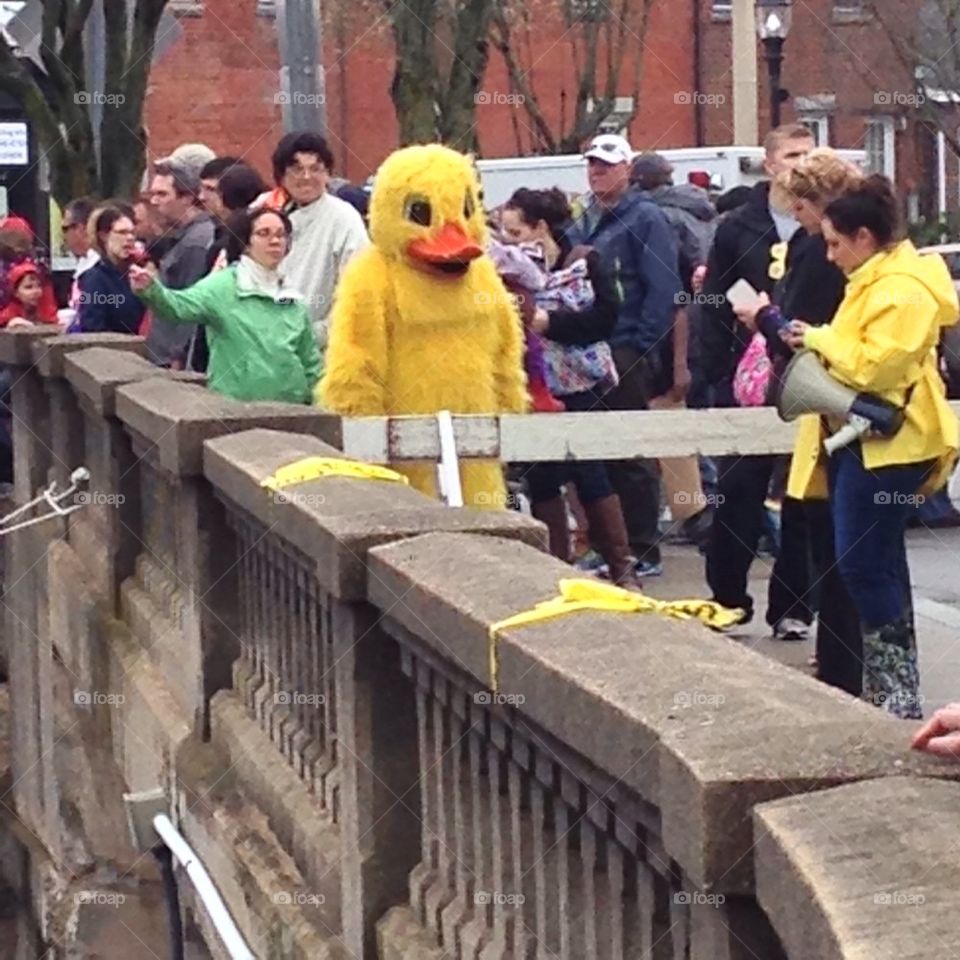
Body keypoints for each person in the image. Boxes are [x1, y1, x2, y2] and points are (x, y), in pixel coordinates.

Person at [782, 176, 959, 719]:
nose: (829, 255)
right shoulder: (886, 277)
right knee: (877, 565)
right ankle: (894, 691)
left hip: (890, 443)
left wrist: (815, 338)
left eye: (835, 243)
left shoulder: (899, 286)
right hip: (885, 441)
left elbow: (874, 365)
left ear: (864, 236)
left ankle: (894, 693)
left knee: (862, 566)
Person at [734, 148, 864, 688]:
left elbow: (803, 331)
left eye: (802, 206)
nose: (800, 217)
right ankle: (839, 656)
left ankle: (841, 663)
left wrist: (761, 314)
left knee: (832, 539)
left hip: (830, 405)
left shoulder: (814, 251)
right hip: (832, 407)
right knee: (832, 536)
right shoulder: (821, 248)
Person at [699, 123, 814, 632]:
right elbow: (713, 306)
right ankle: (728, 596)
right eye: (792, 155)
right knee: (738, 490)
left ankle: (792, 606)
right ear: (770, 165)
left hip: (807, 373)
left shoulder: (822, 224)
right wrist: (712, 378)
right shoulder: (737, 227)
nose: (802, 164)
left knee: (803, 496)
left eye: (810, 154)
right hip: (746, 379)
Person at [501, 188, 642, 586]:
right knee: (542, 475)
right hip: (533, 385)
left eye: (515, 233)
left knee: (590, 469)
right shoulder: (507, 273)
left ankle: (621, 565)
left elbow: (605, 319)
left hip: (582, 383)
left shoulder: (586, 261)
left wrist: (552, 324)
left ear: (540, 227)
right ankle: (557, 569)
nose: (509, 243)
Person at [567, 133, 683, 578]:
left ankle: (642, 547)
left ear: (628, 170)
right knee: (598, 450)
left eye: (606, 164)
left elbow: (662, 287)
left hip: (625, 348)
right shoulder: (587, 220)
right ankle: (607, 545)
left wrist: (640, 347)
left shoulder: (646, 218)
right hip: (590, 352)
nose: (597, 171)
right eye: (592, 164)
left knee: (631, 453)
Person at [130, 205, 321, 405]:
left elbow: (310, 361)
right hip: (235, 413)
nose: (275, 241)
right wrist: (150, 289)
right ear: (245, 242)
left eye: (281, 235)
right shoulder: (222, 286)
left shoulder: (292, 298)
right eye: (264, 234)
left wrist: (322, 403)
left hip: (294, 414)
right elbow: (178, 306)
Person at [268, 132, 368, 352]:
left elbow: (358, 295)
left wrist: (312, 336)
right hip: (274, 350)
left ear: (328, 175)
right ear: (281, 176)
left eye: (315, 169)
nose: (306, 177)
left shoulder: (344, 219)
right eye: (296, 169)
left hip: (321, 352)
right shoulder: (274, 217)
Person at [146, 159, 216, 366]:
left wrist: (179, 356)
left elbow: (191, 304)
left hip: (172, 362)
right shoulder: (182, 237)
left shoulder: (197, 242)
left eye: (162, 194)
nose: (154, 201)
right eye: (153, 194)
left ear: (186, 197)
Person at [72, 204, 146, 335]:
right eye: (122, 232)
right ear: (103, 236)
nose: (129, 238)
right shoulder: (94, 278)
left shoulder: (139, 272)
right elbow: (92, 327)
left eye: (132, 233)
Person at [62, 197, 100, 313]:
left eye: (65, 229)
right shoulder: (84, 263)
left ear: (82, 228)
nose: (63, 236)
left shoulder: (100, 266)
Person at [0, 262, 59, 328]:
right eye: (28, 287)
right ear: (15, 293)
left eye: (39, 286)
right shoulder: (7, 316)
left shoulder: (47, 310)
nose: (36, 291)